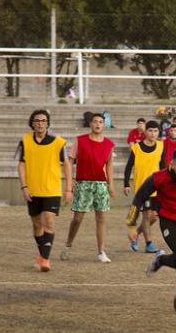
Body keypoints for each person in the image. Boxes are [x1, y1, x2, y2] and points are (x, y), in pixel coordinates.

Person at [126, 147, 176, 314]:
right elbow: (138, 198)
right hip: (169, 221)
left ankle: (160, 260)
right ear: (172, 164)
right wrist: (132, 225)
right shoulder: (159, 178)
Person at [17, 109, 73, 271]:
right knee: (36, 226)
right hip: (33, 190)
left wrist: (68, 189)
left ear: (48, 124)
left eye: (43, 121)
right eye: (37, 121)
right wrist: (24, 186)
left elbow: (67, 166)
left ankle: (45, 260)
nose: (40, 123)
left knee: (48, 220)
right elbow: (21, 164)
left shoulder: (58, 142)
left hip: (52, 190)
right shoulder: (26, 141)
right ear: (32, 123)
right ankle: (42, 255)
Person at [61, 113, 116, 263]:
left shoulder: (109, 144)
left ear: (104, 125)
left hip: (100, 184)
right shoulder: (80, 141)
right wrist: (70, 181)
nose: (98, 124)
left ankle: (101, 251)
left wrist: (110, 184)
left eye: (101, 122)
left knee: (101, 217)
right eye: (95, 122)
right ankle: (68, 244)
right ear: (90, 124)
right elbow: (70, 161)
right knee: (78, 218)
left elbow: (109, 165)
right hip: (83, 183)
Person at [123, 120, 164, 253]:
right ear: (145, 132)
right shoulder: (136, 147)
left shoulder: (161, 146)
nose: (153, 133)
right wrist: (126, 184)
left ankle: (135, 236)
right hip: (143, 188)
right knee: (147, 216)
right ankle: (149, 244)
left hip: (157, 188)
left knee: (154, 217)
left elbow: (163, 167)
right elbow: (129, 167)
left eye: (156, 131)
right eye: (150, 130)